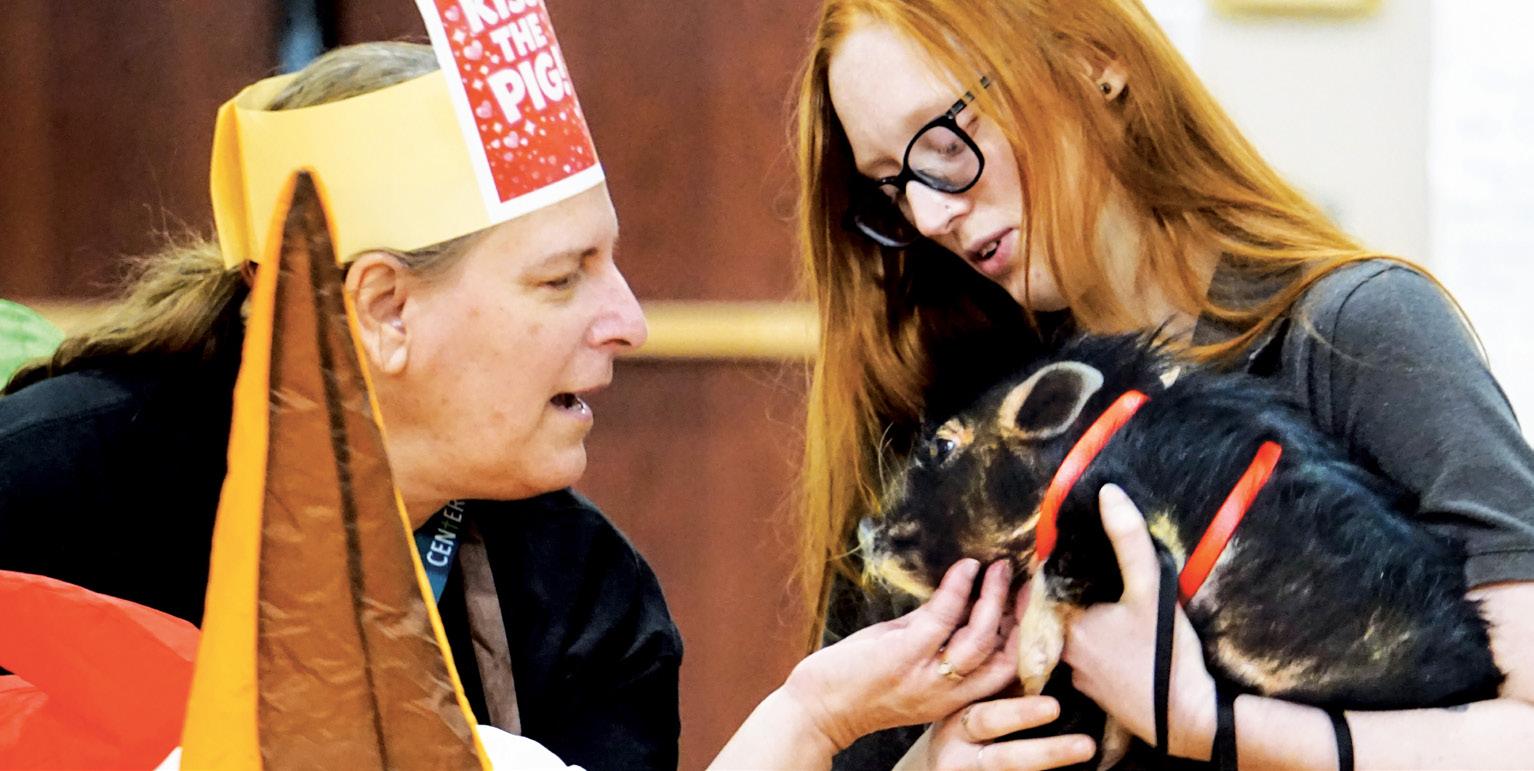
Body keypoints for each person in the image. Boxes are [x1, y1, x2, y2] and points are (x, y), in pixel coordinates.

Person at [0, 39, 1070, 770]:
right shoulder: (44, 489)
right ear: (381, 308)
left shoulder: (587, 598)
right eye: (562, 278)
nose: (628, 322)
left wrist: (817, 721)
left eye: (613, 265)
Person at [791, 0, 1534, 768]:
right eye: (891, 187)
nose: (928, 214)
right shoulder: (949, 422)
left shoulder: (1356, 330)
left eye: (945, 142)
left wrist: (1215, 727)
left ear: (1094, 61)